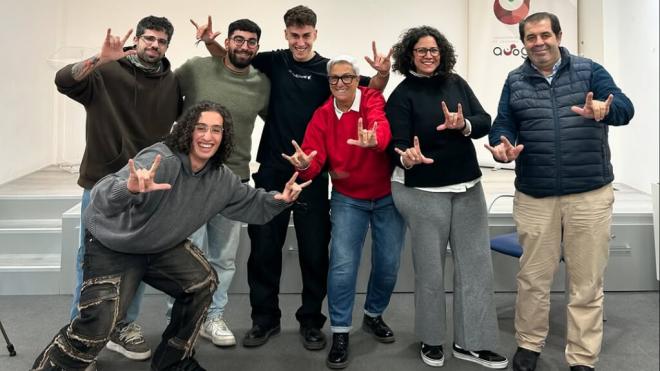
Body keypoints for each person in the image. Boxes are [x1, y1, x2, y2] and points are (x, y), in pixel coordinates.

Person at [31, 101, 309, 371]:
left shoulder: (220, 178)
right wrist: (129, 188)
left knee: (201, 283)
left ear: (224, 137)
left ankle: (173, 360)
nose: (208, 136)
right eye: (201, 128)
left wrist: (280, 199)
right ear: (187, 130)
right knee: (98, 324)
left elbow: (252, 205)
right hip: (113, 245)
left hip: (160, 247)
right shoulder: (159, 160)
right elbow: (102, 197)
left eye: (216, 130)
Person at [195, 5, 392, 350]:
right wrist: (212, 44)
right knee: (264, 249)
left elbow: (369, 87)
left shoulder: (330, 71)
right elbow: (236, 59)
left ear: (315, 34)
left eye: (306, 35)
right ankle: (264, 320)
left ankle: (312, 322)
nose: (300, 42)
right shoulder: (275, 61)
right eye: (294, 35)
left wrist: (383, 74)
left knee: (315, 252)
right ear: (286, 34)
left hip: (314, 173)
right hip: (272, 169)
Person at [486, 12, 634, 371]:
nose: (538, 42)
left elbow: (625, 109)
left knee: (586, 283)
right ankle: (529, 345)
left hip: (589, 194)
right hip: (535, 195)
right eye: (531, 37)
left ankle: (583, 357)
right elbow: (503, 124)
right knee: (533, 278)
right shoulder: (515, 80)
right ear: (523, 42)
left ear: (558, 36)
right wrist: (502, 145)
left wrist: (604, 109)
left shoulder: (589, 71)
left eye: (545, 35)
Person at [54, 16, 181, 361]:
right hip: (100, 185)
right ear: (137, 40)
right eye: (149, 39)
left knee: (135, 261)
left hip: (143, 188)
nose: (155, 45)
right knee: (90, 263)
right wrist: (99, 58)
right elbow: (63, 80)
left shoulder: (172, 83)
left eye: (162, 41)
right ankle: (81, 337)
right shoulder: (106, 72)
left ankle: (122, 325)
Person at [386, 26, 508, 369]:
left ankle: (474, 343)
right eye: (422, 50)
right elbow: (393, 142)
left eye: (434, 50)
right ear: (410, 55)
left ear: (442, 54)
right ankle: (432, 339)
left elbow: (484, 121)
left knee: (476, 268)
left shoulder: (456, 83)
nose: (428, 55)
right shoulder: (403, 94)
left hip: (467, 187)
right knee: (430, 271)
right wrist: (405, 156)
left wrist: (464, 124)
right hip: (422, 192)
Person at [283, 55, 405, 369]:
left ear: (357, 79)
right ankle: (340, 332)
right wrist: (305, 166)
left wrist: (374, 140)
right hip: (348, 198)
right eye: (335, 78)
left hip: (386, 197)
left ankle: (373, 314)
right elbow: (314, 161)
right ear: (329, 82)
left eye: (347, 77)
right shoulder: (323, 115)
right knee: (342, 266)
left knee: (389, 265)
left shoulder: (372, 99)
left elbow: (382, 132)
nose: (341, 83)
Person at [170, 18, 270, 347]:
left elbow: (280, 119)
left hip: (234, 179)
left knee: (224, 258)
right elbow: (161, 90)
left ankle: (213, 315)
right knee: (187, 253)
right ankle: (182, 316)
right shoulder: (196, 68)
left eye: (251, 41)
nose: (244, 46)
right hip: (190, 178)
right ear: (227, 42)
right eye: (238, 40)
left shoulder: (261, 83)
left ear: (257, 46)